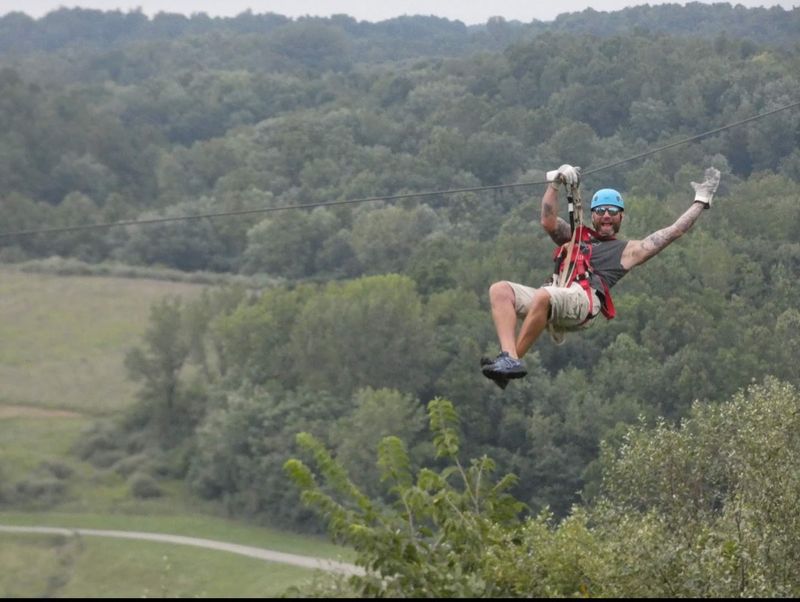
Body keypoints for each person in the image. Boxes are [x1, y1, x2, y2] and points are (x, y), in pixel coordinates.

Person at [481, 164, 721, 388]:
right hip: (559, 291)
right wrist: (555, 183)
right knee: (500, 290)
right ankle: (507, 359)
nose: (607, 215)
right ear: (593, 216)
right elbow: (548, 220)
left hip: (583, 301)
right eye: (601, 211)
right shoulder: (576, 236)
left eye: (613, 211)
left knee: (544, 296)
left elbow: (672, 232)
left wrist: (701, 200)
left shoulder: (626, 251)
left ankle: (511, 361)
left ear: (621, 217)